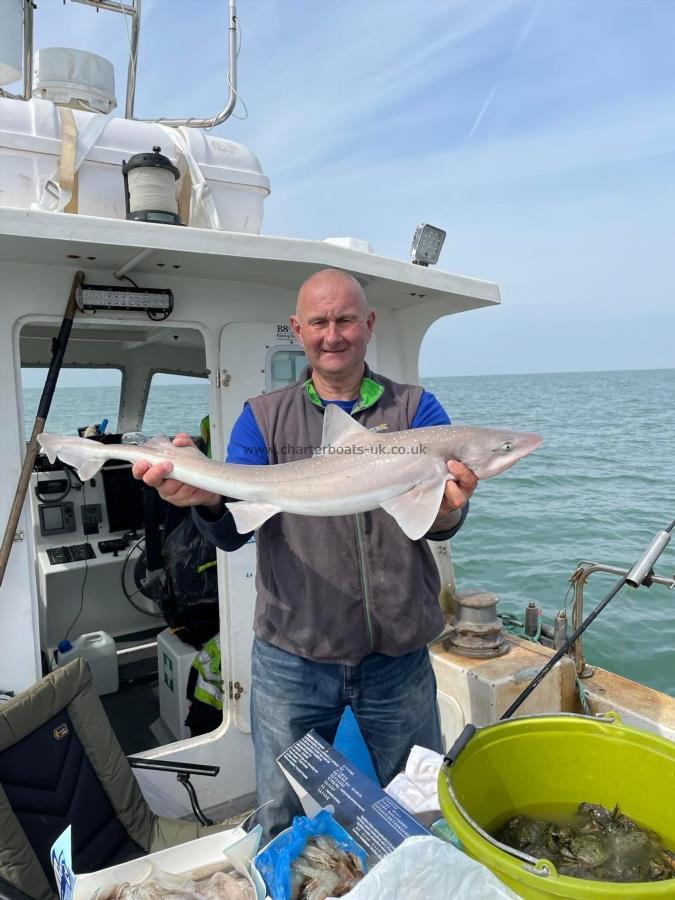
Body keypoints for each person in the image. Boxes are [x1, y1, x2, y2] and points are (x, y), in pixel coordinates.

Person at [132, 268, 477, 840]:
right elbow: (230, 534)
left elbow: (443, 526)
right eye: (319, 321)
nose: (333, 334)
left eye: (345, 320)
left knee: (421, 806)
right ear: (298, 329)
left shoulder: (418, 410)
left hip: (398, 656)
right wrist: (205, 501)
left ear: (368, 325)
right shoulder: (263, 417)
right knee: (278, 810)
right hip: (292, 655)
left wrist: (449, 510)